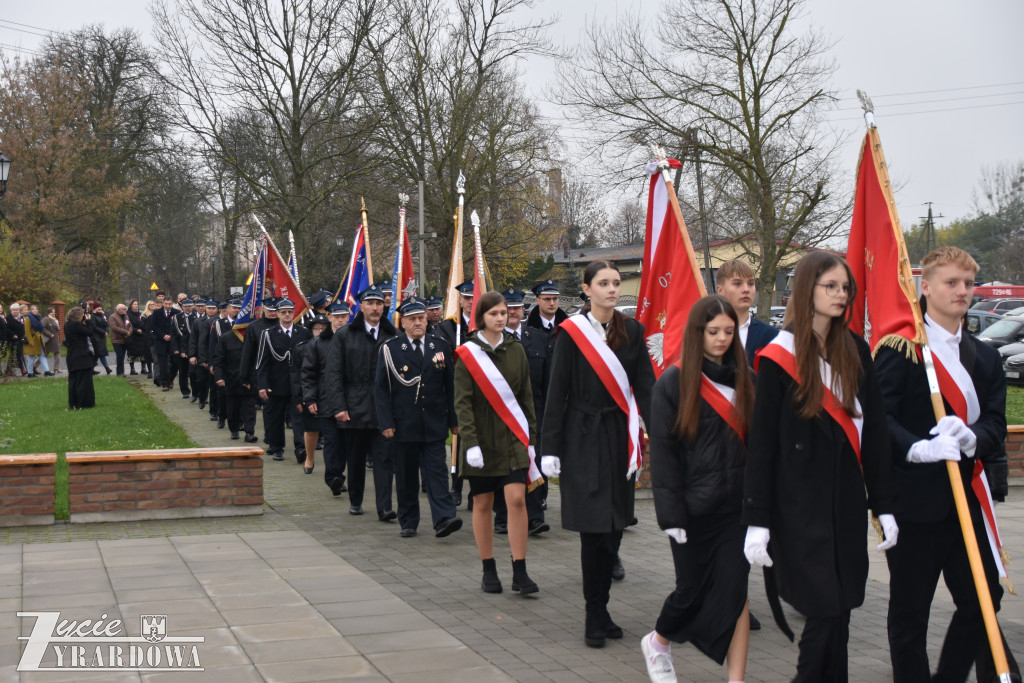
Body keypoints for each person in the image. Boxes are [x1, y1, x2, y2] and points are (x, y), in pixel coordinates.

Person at [742, 251, 899, 682]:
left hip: (846, 501)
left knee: (843, 608)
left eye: (845, 287)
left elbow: (878, 433)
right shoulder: (779, 357)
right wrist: (757, 518)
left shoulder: (857, 351)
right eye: (830, 285)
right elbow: (764, 445)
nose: (840, 294)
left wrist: (883, 504)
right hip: (797, 507)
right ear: (807, 289)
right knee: (824, 610)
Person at [875, 246, 1020, 683]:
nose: (961, 292)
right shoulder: (900, 349)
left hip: (967, 503)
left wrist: (973, 436)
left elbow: (996, 420)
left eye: (968, 284)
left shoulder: (986, 355)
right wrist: (919, 448)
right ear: (926, 287)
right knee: (910, 616)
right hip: (913, 504)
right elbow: (881, 418)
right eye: (951, 283)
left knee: (984, 600)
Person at [540, 260, 656, 648]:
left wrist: (661, 434)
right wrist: (550, 447)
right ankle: (594, 612)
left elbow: (646, 389)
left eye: (616, 282)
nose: (611, 289)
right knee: (594, 531)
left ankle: (603, 606)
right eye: (603, 283)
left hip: (619, 439)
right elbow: (557, 393)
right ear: (587, 289)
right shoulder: (571, 334)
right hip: (582, 438)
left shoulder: (633, 331)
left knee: (615, 527)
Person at [641, 295, 754, 683]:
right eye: (713, 332)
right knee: (690, 591)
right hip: (692, 510)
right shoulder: (674, 382)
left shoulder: (748, 380)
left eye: (728, 331)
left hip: (737, 510)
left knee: (736, 592)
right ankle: (658, 641)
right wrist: (670, 515)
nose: (722, 338)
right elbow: (666, 454)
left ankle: (736, 678)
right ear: (697, 333)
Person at [454, 291, 540, 595]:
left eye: (504, 312)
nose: (501, 318)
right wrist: (471, 442)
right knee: (483, 502)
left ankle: (520, 570)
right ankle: (488, 568)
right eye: (494, 314)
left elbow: (526, 396)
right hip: (481, 439)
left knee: (517, 499)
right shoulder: (468, 352)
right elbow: (462, 402)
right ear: (481, 318)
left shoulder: (516, 349)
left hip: (513, 436)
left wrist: (531, 437)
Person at [375, 297, 462, 539]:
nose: (418, 323)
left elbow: (450, 386)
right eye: (412, 319)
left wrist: (454, 420)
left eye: (421, 318)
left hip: (434, 422)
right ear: (403, 323)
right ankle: (409, 520)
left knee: (437, 471)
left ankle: (444, 517)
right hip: (404, 424)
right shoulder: (390, 349)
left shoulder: (440, 345)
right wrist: (386, 423)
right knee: (406, 476)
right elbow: (381, 389)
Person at [327, 287, 398, 512]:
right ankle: (356, 501)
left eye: (379, 303)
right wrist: (339, 406)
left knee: (384, 459)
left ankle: (384, 507)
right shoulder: (345, 335)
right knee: (355, 459)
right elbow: (334, 373)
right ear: (361, 307)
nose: (375, 308)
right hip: (354, 407)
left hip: (384, 408)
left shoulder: (393, 335)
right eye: (370, 303)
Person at [493, 287, 550, 536]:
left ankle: (535, 516)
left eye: (517, 307)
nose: (513, 312)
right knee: (504, 466)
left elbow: (548, 381)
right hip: (501, 415)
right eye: (508, 308)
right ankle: (503, 516)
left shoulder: (538, 339)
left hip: (533, 415)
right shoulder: (490, 339)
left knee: (534, 464)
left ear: (524, 310)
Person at [257, 298, 310, 461]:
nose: (287, 315)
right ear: (278, 314)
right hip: (276, 383)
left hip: (298, 385)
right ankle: (277, 447)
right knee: (276, 418)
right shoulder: (268, 334)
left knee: (299, 417)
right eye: (283, 312)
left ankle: (301, 448)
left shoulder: (303, 333)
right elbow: (262, 362)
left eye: (289, 312)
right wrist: (262, 385)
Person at [437, 280, 475, 506]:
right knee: (459, 441)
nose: (471, 302)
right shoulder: (448, 327)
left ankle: (475, 491)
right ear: (459, 300)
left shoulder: (485, 324)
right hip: (456, 391)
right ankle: (456, 486)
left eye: (474, 297)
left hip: (482, 393)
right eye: (467, 298)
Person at [716, 259, 778, 365]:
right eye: (737, 284)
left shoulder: (772, 336)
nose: (746, 289)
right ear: (720, 290)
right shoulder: (705, 334)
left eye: (751, 283)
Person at [213, 315, 259, 444]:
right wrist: (219, 377)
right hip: (232, 379)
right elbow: (219, 359)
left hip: (249, 380)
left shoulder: (253, 338)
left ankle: (250, 432)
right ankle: (234, 429)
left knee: (250, 407)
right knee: (233, 408)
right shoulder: (226, 338)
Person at [292, 314, 328, 469]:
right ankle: (309, 458)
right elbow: (296, 375)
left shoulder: (335, 345)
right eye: (316, 328)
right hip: (310, 393)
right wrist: (299, 398)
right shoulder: (302, 348)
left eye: (323, 328)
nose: (320, 331)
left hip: (330, 393)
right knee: (311, 429)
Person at [65, 307, 96, 409]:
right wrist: (89, 321)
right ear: (79, 315)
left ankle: (73, 402)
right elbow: (89, 332)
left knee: (74, 381)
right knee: (83, 381)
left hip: (72, 355)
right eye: (82, 315)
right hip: (81, 356)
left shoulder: (68, 324)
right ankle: (83, 402)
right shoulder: (76, 325)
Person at [151, 297, 178, 391]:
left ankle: (170, 379)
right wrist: (163, 335)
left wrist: (171, 335)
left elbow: (178, 327)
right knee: (162, 364)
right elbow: (154, 326)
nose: (167, 306)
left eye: (169, 304)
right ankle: (165, 384)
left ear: (172, 304)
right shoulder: (157, 313)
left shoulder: (177, 312)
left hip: (173, 341)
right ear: (163, 303)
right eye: (166, 303)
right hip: (160, 341)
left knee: (175, 362)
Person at [172, 298, 194, 398]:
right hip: (181, 348)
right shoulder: (177, 318)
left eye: (189, 306)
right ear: (182, 307)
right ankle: (185, 391)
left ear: (193, 306)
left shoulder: (195, 317)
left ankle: (196, 392)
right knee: (183, 371)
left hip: (193, 348)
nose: (187, 308)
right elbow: (174, 335)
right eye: (185, 306)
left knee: (194, 372)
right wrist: (176, 349)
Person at [22, 304, 53, 377]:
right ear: (30, 311)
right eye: (33, 309)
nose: (35, 310)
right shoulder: (28, 319)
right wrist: (30, 341)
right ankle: (30, 372)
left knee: (42, 355)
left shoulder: (38, 318)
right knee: (32, 356)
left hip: (39, 340)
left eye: (36, 309)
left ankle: (47, 371)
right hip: (33, 340)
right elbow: (27, 331)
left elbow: (40, 329)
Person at [108, 303, 132, 376]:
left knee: (122, 356)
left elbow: (130, 325)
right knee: (119, 355)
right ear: (119, 310)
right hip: (117, 340)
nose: (125, 310)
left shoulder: (126, 316)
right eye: (124, 309)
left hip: (125, 339)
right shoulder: (112, 317)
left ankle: (122, 371)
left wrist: (129, 332)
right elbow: (114, 327)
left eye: (126, 309)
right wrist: (125, 332)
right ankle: (119, 372)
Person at [89, 302, 112, 375]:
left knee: (97, 354)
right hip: (95, 337)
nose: (99, 308)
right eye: (97, 307)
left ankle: (90, 369)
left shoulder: (102, 315)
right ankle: (107, 368)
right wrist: (103, 332)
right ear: (94, 308)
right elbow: (94, 327)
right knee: (100, 353)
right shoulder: (92, 316)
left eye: (100, 307)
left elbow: (106, 325)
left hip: (102, 337)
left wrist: (107, 331)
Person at [125, 300, 146, 375]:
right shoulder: (127, 315)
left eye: (137, 304)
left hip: (141, 336)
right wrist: (136, 330)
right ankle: (132, 369)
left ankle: (143, 368)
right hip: (132, 336)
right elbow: (127, 326)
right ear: (131, 305)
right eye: (134, 304)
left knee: (143, 353)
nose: (136, 306)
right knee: (132, 354)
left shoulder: (140, 314)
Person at [7, 303, 26, 375]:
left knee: (15, 354)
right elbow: (7, 329)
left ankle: (8, 369)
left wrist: (23, 335)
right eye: (14, 310)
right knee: (17, 353)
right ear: (11, 310)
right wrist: (13, 335)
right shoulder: (8, 318)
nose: (16, 311)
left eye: (17, 310)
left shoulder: (21, 318)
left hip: (20, 338)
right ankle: (22, 369)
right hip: (12, 339)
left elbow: (23, 327)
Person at [43, 307, 61, 374]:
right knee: (45, 354)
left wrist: (55, 320)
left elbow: (58, 328)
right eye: (52, 312)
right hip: (49, 340)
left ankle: (56, 368)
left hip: (55, 339)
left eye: (54, 312)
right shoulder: (46, 319)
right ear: (48, 313)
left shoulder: (54, 319)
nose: (53, 313)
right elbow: (42, 328)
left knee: (57, 352)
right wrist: (49, 334)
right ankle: (34, 366)